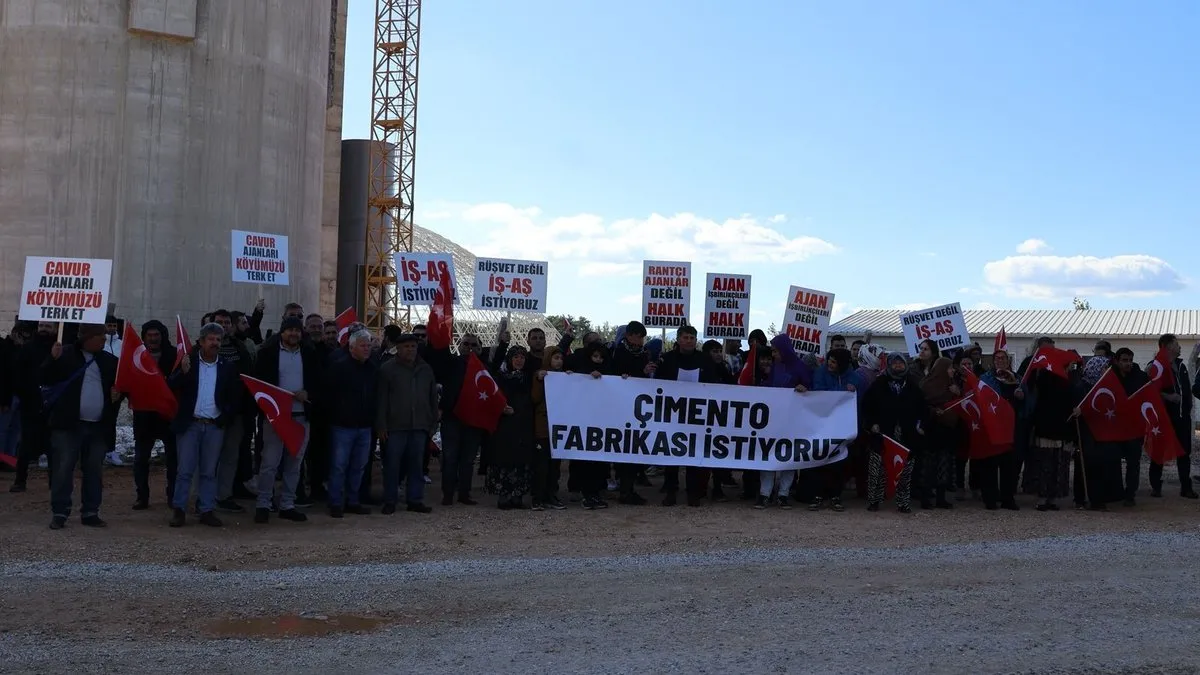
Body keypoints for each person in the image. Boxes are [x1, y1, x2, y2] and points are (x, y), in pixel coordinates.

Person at [42, 324, 120, 530]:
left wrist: (117, 394)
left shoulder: (109, 361)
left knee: (94, 470)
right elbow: (44, 378)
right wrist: (52, 359)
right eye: (100, 336)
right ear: (87, 337)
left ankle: (91, 511)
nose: (104, 339)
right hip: (67, 425)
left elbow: (119, 388)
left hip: (98, 427)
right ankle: (60, 512)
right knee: (63, 468)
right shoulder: (64, 355)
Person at [167, 322, 238, 527]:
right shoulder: (189, 362)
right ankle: (179, 509)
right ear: (201, 341)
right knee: (185, 470)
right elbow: (171, 385)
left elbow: (234, 396)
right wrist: (182, 372)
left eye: (218, 340)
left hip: (214, 426)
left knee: (209, 471)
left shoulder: (227, 366)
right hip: (190, 424)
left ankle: (206, 509)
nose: (215, 343)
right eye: (211, 339)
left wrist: (224, 417)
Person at [252, 317, 320, 524]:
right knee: (269, 463)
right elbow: (260, 382)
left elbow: (319, 382)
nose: (293, 334)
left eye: (297, 330)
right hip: (276, 417)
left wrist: (308, 392)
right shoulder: (268, 354)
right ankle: (263, 504)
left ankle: (287, 504)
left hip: (301, 417)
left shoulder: (310, 353)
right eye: (289, 330)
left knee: (294, 464)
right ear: (282, 332)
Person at [376, 332, 438, 514]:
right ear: (398, 348)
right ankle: (390, 500)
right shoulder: (387, 369)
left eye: (413, 346)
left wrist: (433, 422)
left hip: (419, 425)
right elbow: (381, 400)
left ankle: (415, 499)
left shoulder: (425, 369)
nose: (410, 350)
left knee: (417, 465)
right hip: (395, 426)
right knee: (392, 465)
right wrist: (381, 425)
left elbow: (432, 397)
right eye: (406, 346)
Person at [322, 329, 380, 518]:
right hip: (342, 426)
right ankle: (335, 502)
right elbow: (328, 395)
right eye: (363, 345)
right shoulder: (339, 367)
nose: (367, 349)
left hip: (364, 426)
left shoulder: (372, 369)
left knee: (359, 466)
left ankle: (353, 501)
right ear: (352, 347)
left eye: (369, 345)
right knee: (339, 466)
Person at [862, 353, 925, 513]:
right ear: (889, 365)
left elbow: (922, 409)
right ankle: (874, 500)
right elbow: (867, 407)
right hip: (882, 434)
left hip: (906, 435)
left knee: (905, 470)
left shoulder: (912, 385)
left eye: (900, 363)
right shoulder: (879, 384)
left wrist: (920, 425)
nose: (898, 366)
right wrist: (872, 424)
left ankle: (903, 502)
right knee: (877, 469)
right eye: (894, 363)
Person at [130, 320, 179, 510]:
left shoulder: (174, 355)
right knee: (141, 459)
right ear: (144, 337)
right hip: (144, 415)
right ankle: (142, 496)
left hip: (168, 414)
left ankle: (173, 495)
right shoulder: (136, 355)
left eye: (156, 335)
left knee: (173, 459)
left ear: (163, 336)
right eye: (149, 335)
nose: (153, 339)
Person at [807, 347, 861, 511]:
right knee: (820, 459)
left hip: (841, 426)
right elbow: (819, 393)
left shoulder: (854, 377)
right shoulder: (820, 373)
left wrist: (853, 391)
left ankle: (835, 495)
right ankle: (818, 494)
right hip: (822, 423)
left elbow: (858, 397)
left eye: (834, 362)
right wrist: (843, 391)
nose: (830, 364)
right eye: (829, 360)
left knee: (839, 460)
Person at [1148, 334, 1196, 499]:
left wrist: (1187, 408)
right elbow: (1149, 389)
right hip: (1163, 418)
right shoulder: (1155, 366)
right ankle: (1156, 486)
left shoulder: (1181, 366)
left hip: (1182, 417)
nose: (1179, 346)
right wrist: (1168, 397)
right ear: (1167, 346)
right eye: (1176, 344)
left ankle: (1186, 487)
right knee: (1159, 452)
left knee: (1184, 452)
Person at [487, 346, 534, 509]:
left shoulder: (529, 378)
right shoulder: (501, 378)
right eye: (516, 357)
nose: (519, 360)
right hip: (505, 425)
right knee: (504, 459)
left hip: (523, 424)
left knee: (521, 460)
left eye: (522, 357)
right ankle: (504, 495)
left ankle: (517, 496)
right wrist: (501, 408)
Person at [978, 350, 1023, 510]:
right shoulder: (985, 378)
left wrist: (1019, 391)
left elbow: (1025, 398)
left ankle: (1007, 498)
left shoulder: (1016, 378)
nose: (1000, 361)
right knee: (990, 464)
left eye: (1003, 358)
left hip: (1010, 426)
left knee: (1009, 465)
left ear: (1008, 361)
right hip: (992, 425)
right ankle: (990, 498)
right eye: (997, 358)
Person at [531, 346, 568, 510]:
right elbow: (534, 398)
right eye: (555, 358)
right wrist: (539, 380)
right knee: (541, 465)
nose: (559, 361)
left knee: (554, 466)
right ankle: (538, 497)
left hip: (558, 428)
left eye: (561, 358)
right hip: (543, 428)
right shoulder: (539, 376)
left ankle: (551, 495)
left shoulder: (564, 377)